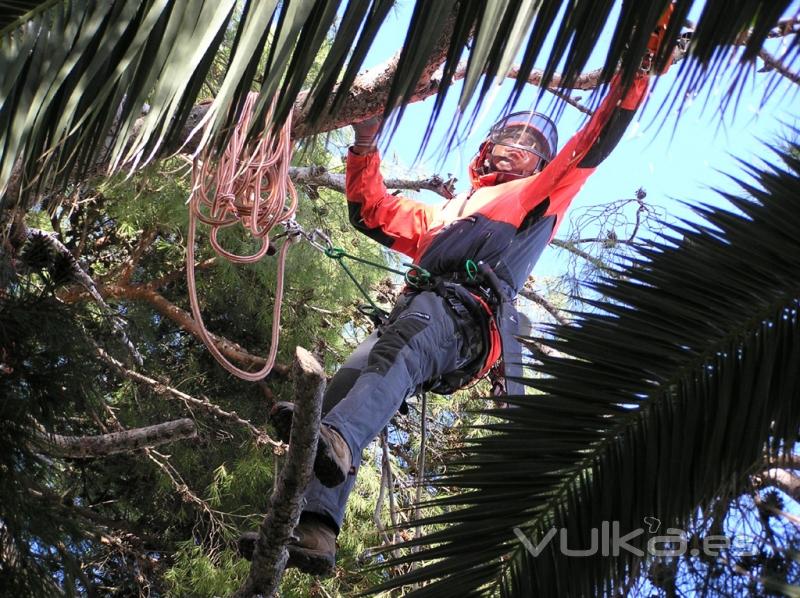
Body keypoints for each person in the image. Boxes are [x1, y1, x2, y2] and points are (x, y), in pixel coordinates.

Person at [240, 8, 676, 575]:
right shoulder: (447, 214)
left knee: (387, 363)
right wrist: (365, 142)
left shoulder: (539, 195)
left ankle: (340, 439)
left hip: (462, 316)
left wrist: (637, 65)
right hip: (423, 315)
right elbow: (373, 215)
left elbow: (595, 139)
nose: (514, 145)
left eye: (528, 142)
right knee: (339, 387)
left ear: (542, 161)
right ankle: (314, 527)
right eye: (509, 134)